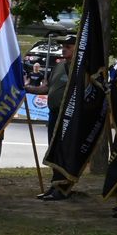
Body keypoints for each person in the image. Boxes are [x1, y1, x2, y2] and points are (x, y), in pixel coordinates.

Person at [26, 35, 75, 200]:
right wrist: (26, 88)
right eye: (64, 45)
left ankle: (63, 187)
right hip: (53, 114)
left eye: (69, 46)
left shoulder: (80, 68)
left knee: (64, 151)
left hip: (68, 117)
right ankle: (54, 185)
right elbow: (46, 88)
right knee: (53, 151)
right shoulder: (59, 66)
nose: (64, 48)